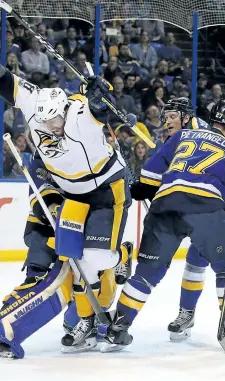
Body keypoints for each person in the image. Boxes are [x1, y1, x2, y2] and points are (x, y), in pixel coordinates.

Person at [100, 97, 225, 355]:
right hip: (206, 209)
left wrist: (142, 189)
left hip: (165, 206)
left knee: (146, 272)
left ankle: (119, 326)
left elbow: (150, 176)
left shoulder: (184, 136)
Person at [0, 64, 133, 355]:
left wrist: (103, 95)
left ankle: (123, 254)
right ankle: (86, 321)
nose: (53, 127)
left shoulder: (81, 113)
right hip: (71, 194)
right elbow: (5, 80)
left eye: (57, 120)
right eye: (46, 123)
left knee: (98, 257)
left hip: (106, 190)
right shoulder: (34, 103)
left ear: (66, 111)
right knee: (79, 260)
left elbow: (103, 109)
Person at [159, 99, 225, 344]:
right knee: (209, 260)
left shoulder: (201, 139)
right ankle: (203, 315)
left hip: (222, 215)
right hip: (215, 214)